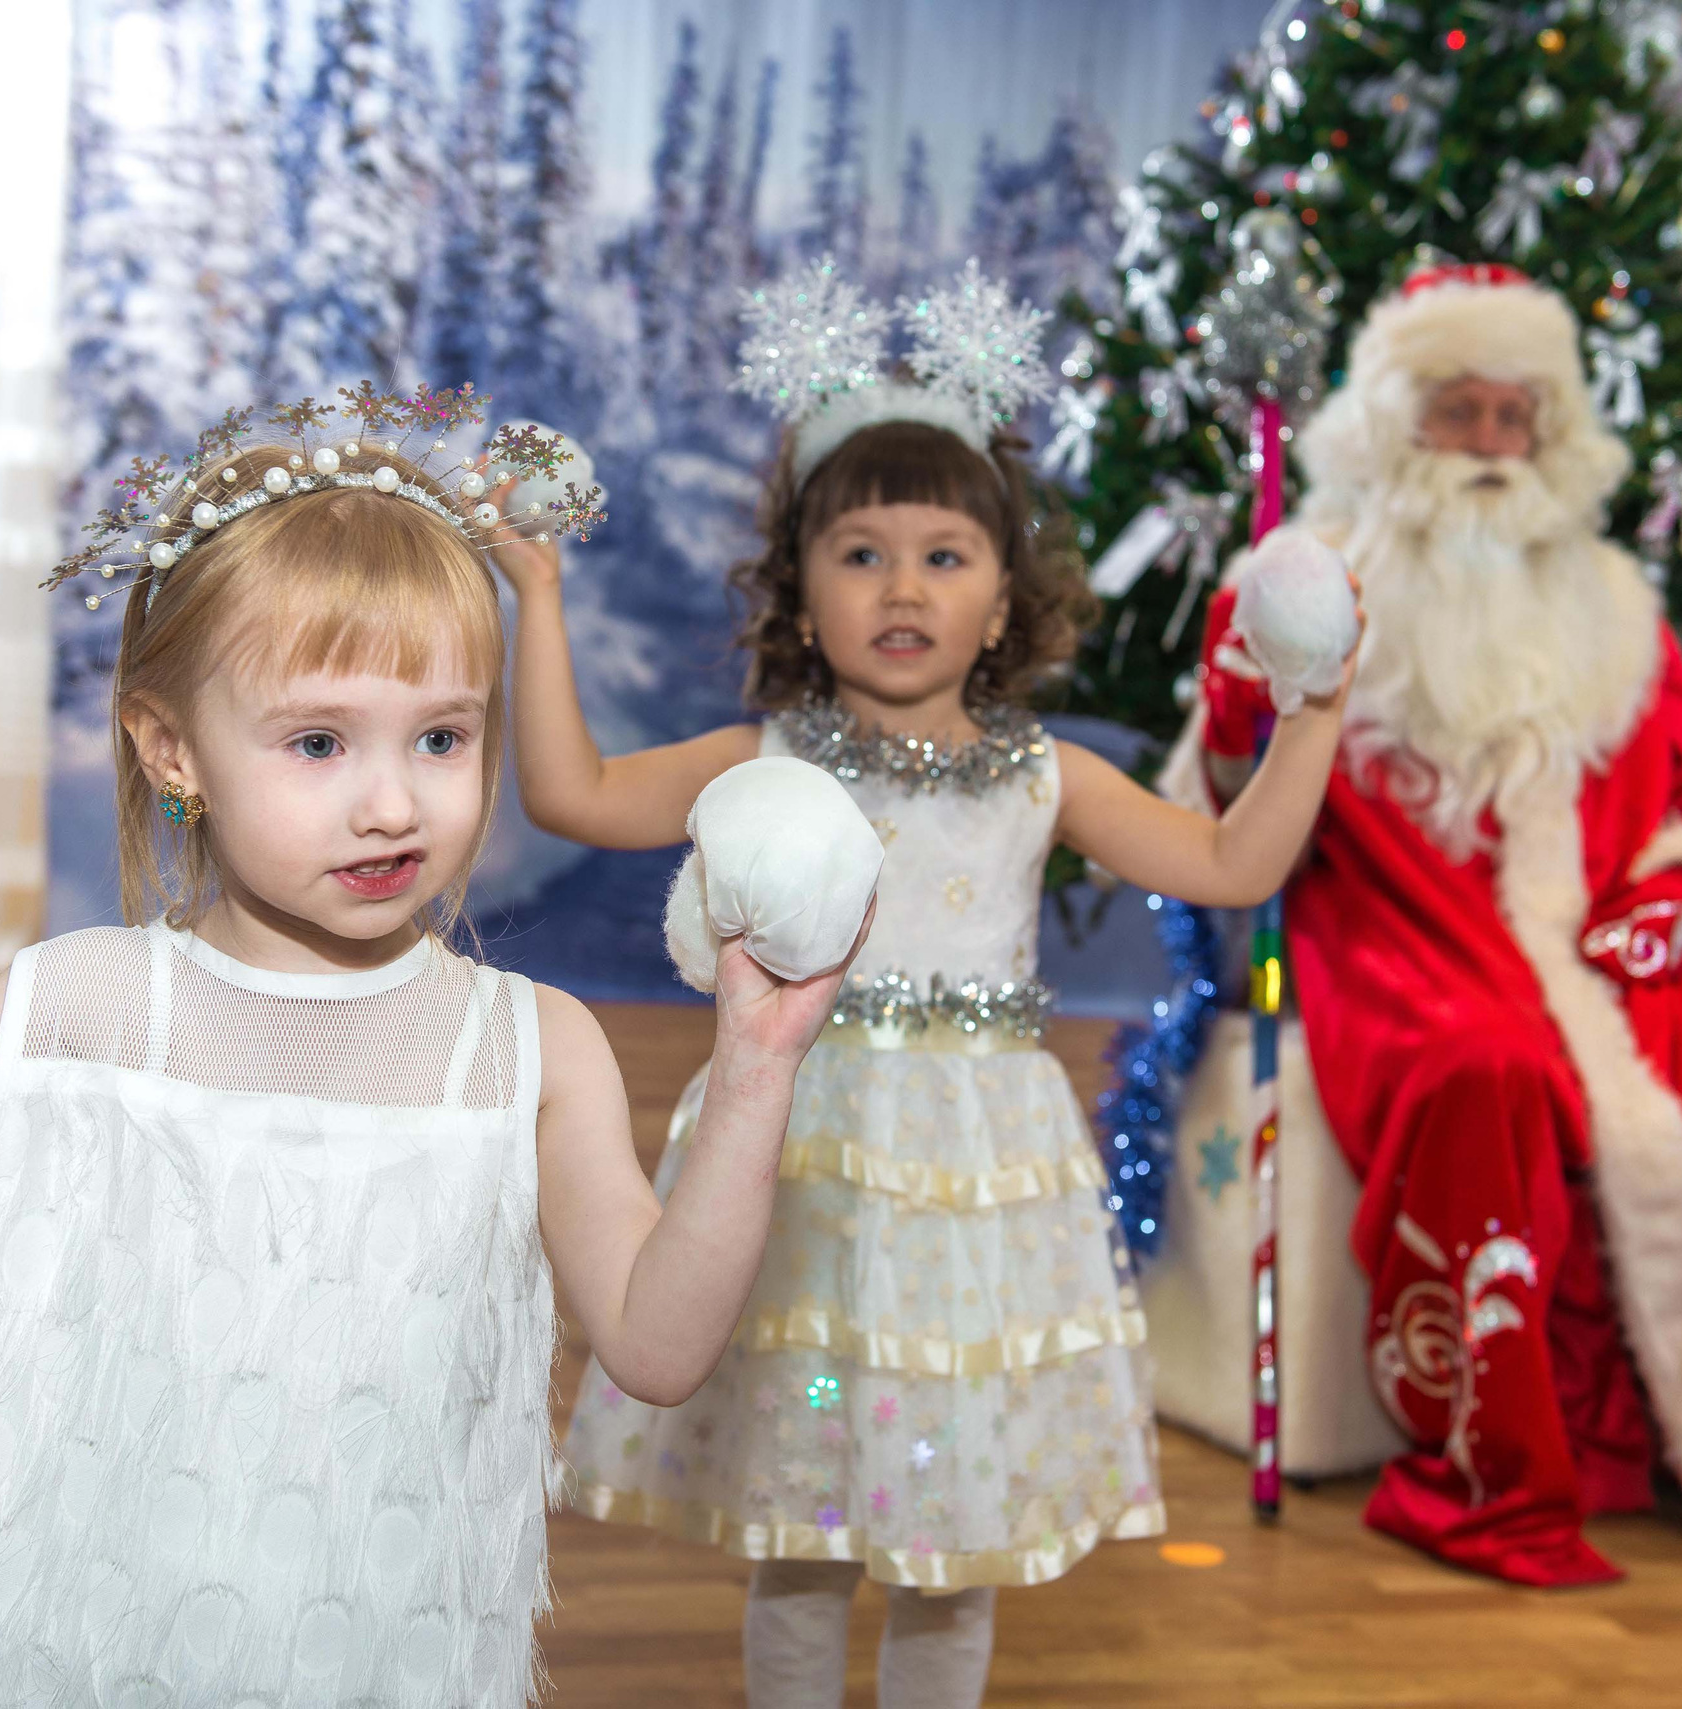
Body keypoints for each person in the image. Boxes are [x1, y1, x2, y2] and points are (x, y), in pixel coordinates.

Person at [0, 393, 860, 1706]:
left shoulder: (526, 1050)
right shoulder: (84, 1009)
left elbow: (658, 1349)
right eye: (319, 742)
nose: (392, 801)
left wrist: (760, 1066)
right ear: (172, 750)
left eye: (442, 736)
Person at [512, 260, 1354, 1709]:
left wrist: (1314, 704)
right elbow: (572, 792)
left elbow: (1233, 862)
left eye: (946, 555)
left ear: (1005, 594)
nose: (903, 586)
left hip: (978, 1212)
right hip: (803, 1186)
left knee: (950, 1543)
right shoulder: (764, 757)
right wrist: (536, 589)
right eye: (860, 552)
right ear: (800, 587)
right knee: (803, 1529)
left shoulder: (1046, 773)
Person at [1194, 262, 1682, 1587]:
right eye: (1458, 410)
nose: (1491, 445)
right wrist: (1256, 673)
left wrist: (1673, 902)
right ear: (1394, 423)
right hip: (1401, 943)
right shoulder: (1305, 578)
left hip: (1612, 955)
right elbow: (1231, 797)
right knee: (1488, 1072)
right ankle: (1502, 1467)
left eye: (1517, 416)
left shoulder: (1614, 608)